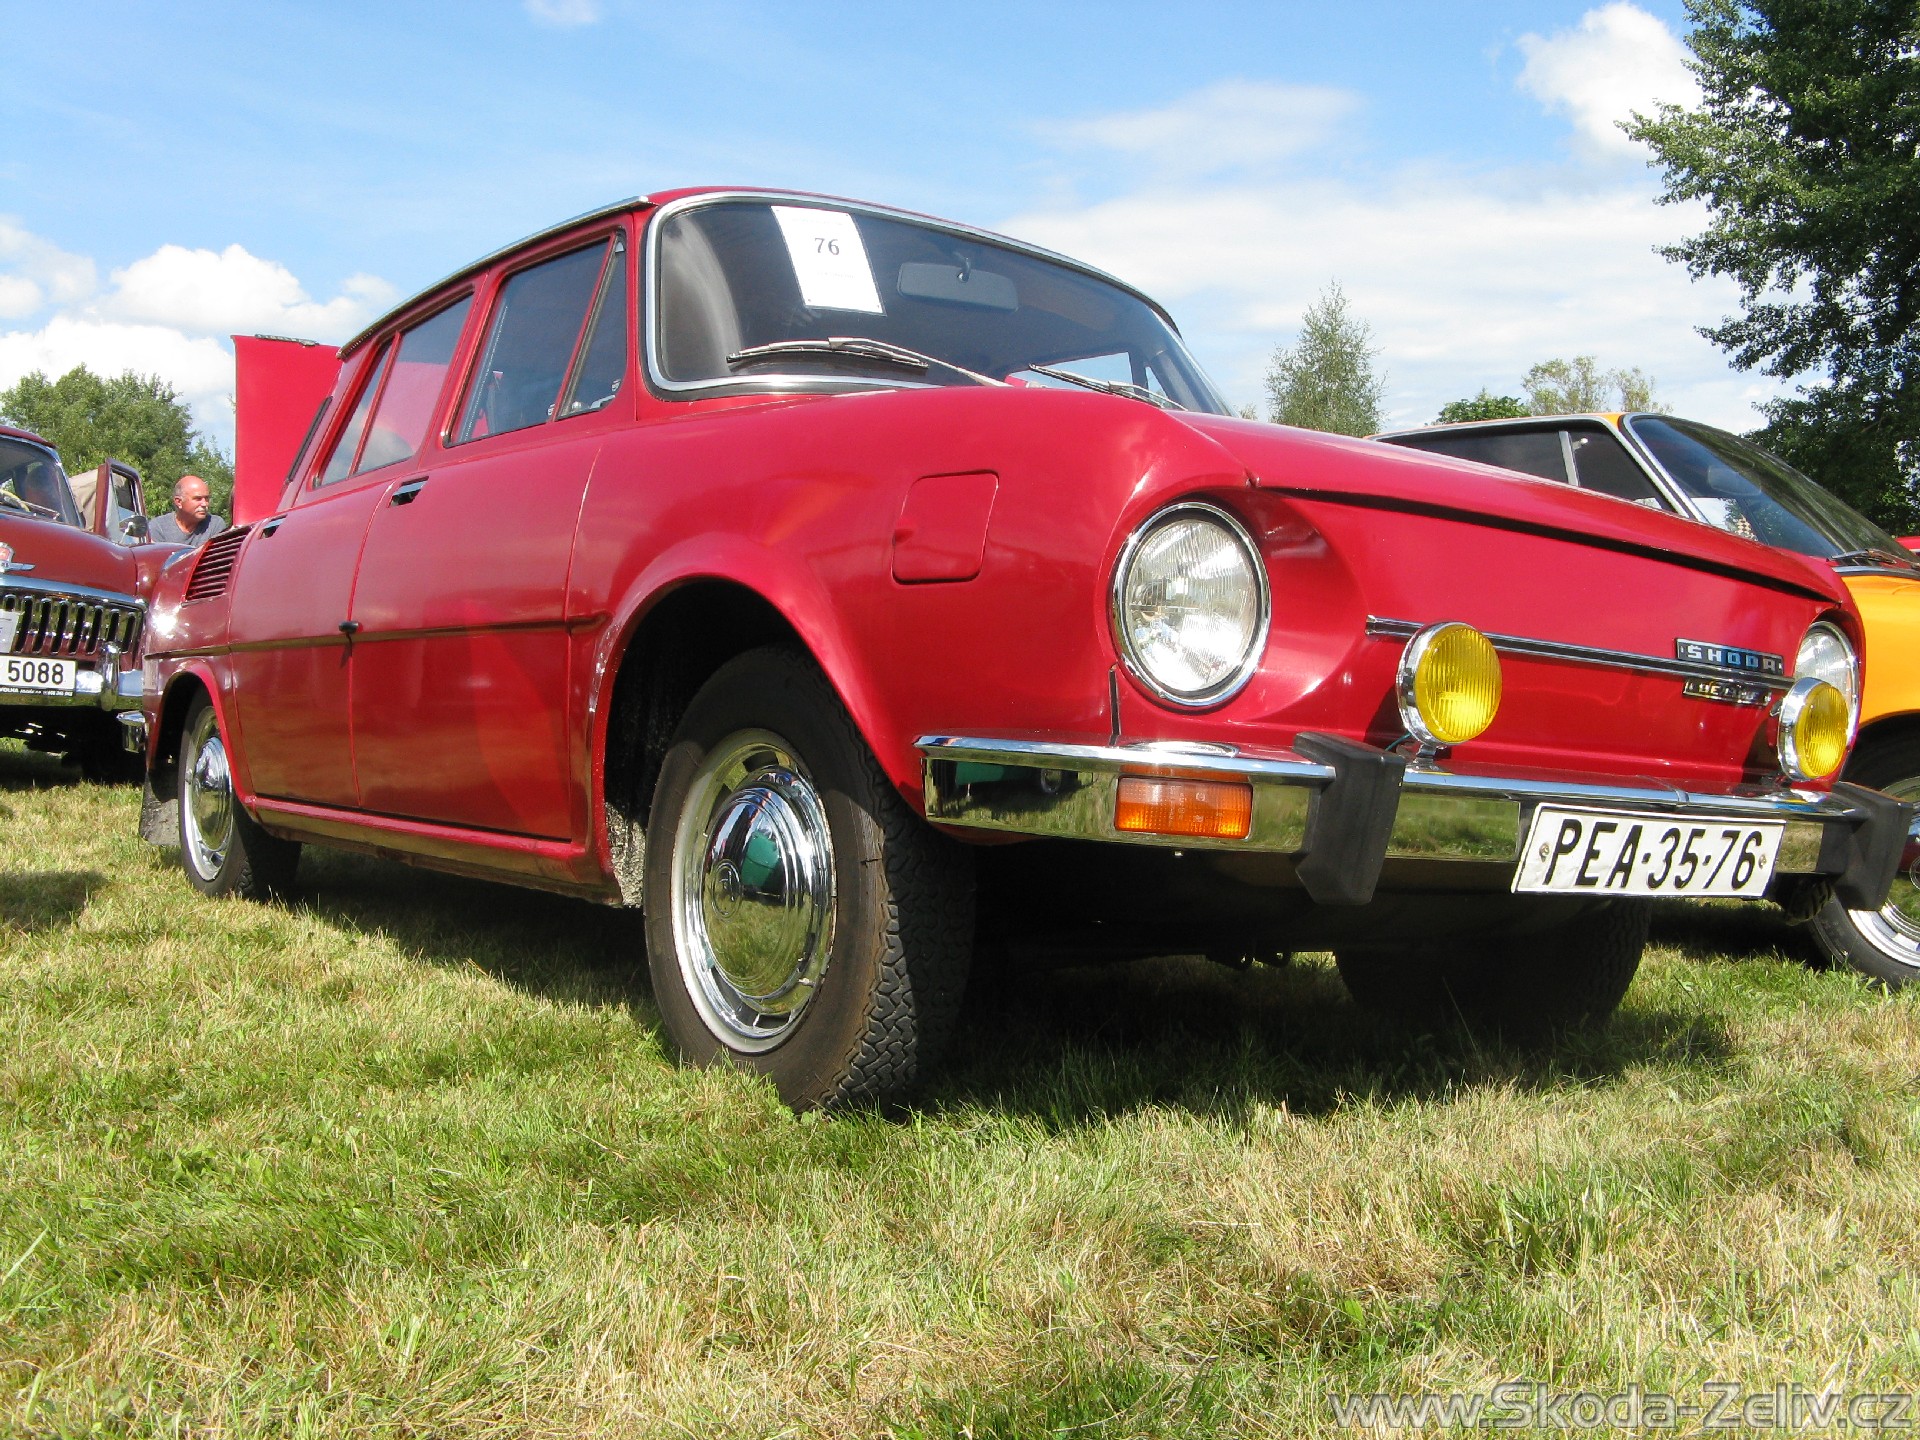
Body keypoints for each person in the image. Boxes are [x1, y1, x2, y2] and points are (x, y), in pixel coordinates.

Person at [148, 475, 228, 549]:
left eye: (206, 498)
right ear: (179, 502)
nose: (204, 504)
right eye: (198, 499)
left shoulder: (215, 525)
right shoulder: (158, 527)